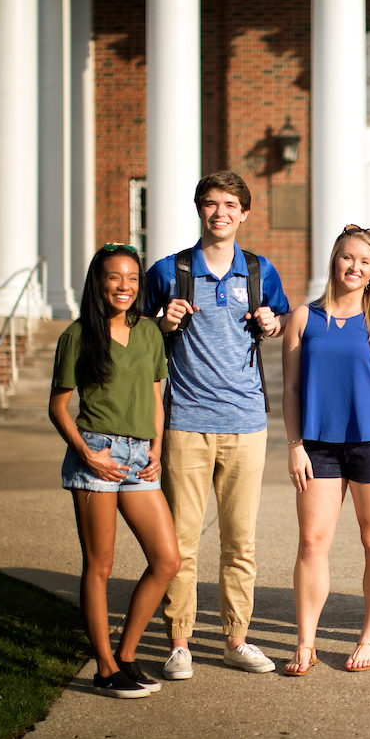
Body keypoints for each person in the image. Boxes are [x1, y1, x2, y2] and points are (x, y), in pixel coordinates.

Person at [143, 171, 290, 679]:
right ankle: (179, 643)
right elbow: (138, 335)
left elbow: (278, 317)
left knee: (239, 541)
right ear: (199, 209)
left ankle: (235, 640)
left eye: (230, 204)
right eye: (211, 203)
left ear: (244, 214)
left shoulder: (259, 270)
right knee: (180, 542)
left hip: (247, 423)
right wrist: (162, 323)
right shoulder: (169, 270)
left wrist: (272, 322)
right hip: (186, 422)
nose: (220, 212)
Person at [280, 225, 370, 676]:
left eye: (365, 261)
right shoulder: (303, 318)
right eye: (347, 258)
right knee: (312, 542)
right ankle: (305, 643)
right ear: (334, 260)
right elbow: (292, 389)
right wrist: (294, 444)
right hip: (317, 444)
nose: (354, 267)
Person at [49, 243, 181, 698]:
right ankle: (104, 669)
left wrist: (156, 448)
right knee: (100, 566)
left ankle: (126, 656)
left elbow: (157, 393)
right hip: (98, 456)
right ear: (98, 282)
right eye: (113, 277)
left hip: (140, 458)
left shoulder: (148, 332)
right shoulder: (78, 335)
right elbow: (58, 407)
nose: (124, 286)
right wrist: (87, 453)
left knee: (167, 560)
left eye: (131, 278)